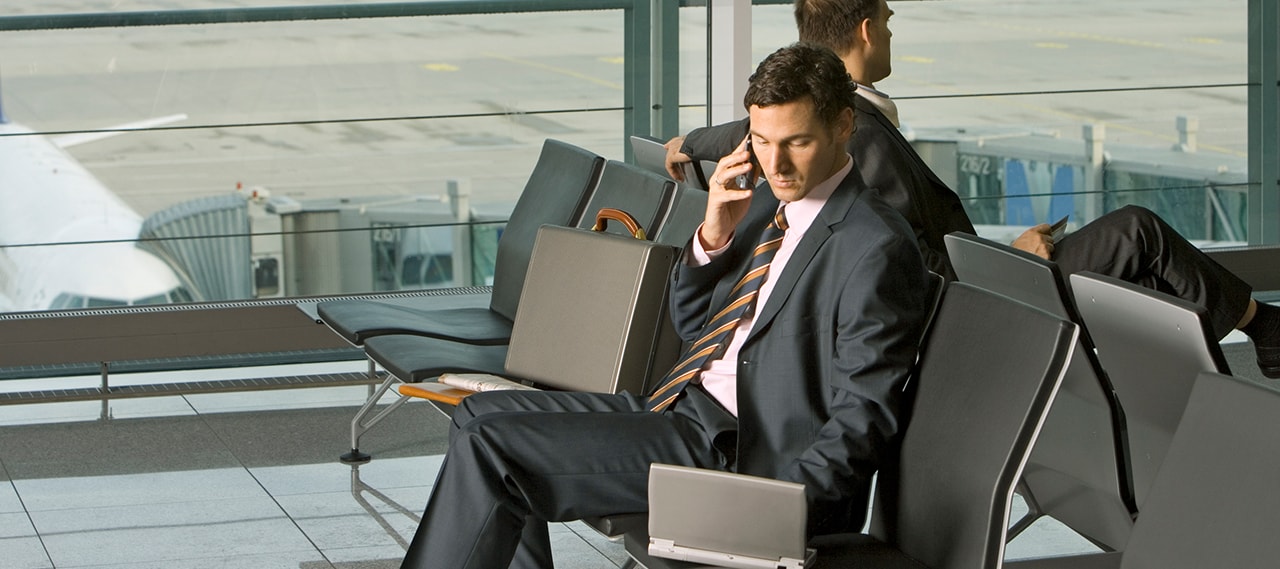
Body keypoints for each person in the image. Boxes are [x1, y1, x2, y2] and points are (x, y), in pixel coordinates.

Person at [399, 42, 931, 569]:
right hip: (680, 409)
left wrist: (782, 508)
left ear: (843, 126)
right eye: (763, 142)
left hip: (740, 456)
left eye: (797, 142)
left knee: (493, 448)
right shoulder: (766, 201)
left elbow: (864, 412)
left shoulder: (874, 246)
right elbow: (696, 326)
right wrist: (715, 232)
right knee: (475, 414)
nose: (777, 163)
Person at [664, 0, 1280, 378]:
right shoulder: (855, 135)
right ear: (867, 31)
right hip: (978, 302)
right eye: (888, 19)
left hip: (974, 282)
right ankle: (1254, 341)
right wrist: (1011, 257)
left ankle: (1233, 353)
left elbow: (735, 130)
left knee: (1133, 252)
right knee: (1139, 232)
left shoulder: (788, 127)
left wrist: (688, 142)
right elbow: (919, 267)